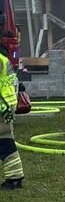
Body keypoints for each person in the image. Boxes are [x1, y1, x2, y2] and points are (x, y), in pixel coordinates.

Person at [0, 46, 23, 189]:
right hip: (6, 104)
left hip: (2, 105)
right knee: (5, 139)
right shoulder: (3, 58)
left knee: (4, 142)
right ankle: (15, 178)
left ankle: (14, 179)